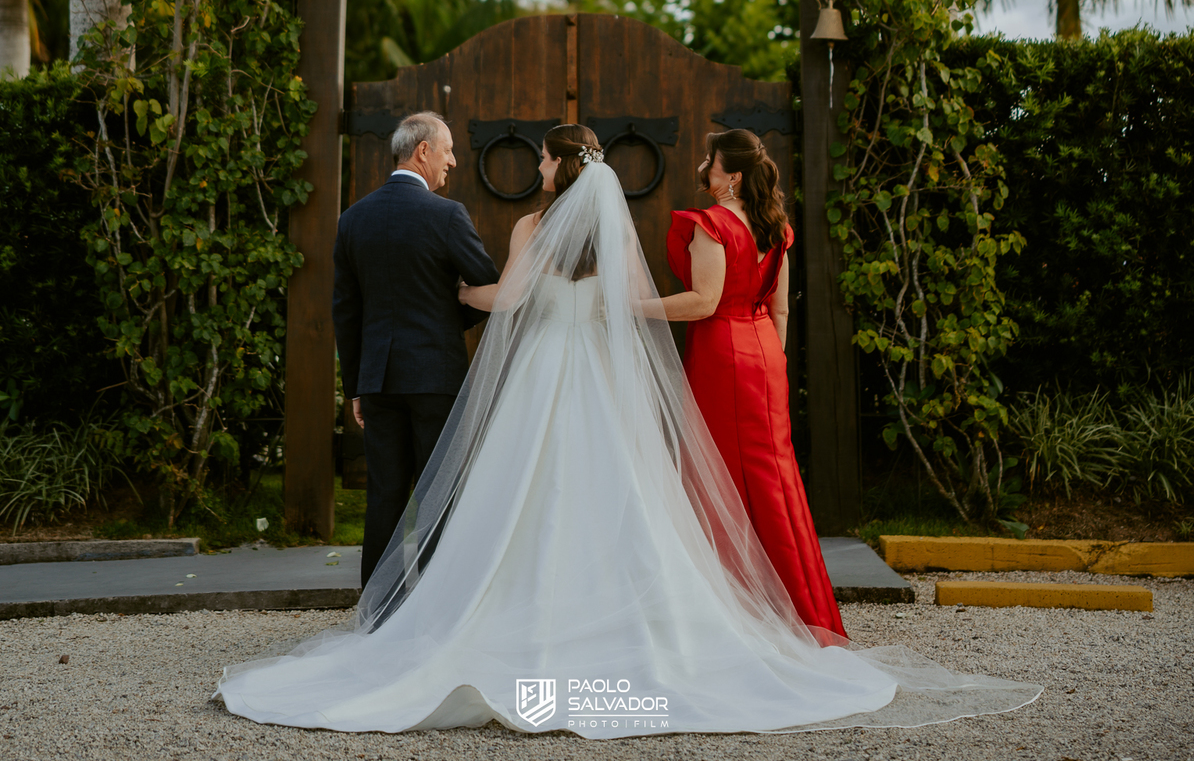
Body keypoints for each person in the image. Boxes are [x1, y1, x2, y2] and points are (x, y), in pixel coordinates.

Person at [219, 126, 1038, 736]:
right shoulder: (613, 239)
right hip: (596, 381)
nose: (536, 170)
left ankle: (426, 617)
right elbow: (625, 313)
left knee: (511, 497)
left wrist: (455, 300)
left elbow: (504, 300)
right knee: (621, 497)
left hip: (540, 371)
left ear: (560, 165)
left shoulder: (531, 231)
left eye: (543, 159)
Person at [662, 128, 843, 634]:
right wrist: (768, 361)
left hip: (723, 353)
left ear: (732, 175)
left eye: (710, 160)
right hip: (765, 351)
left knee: (717, 476)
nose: (704, 165)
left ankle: (735, 608)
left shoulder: (712, 224)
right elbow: (781, 308)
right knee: (774, 477)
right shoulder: (775, 226)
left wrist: (632, 307)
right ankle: (801, 604)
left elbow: (703, 302)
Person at [332, 110, 499, 587]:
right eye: (447, 151)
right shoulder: (447, 215)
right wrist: (450, 319)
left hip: (378, 381)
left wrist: (356, 388)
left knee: (384, 494)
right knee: (437, 493)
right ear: (423, 150)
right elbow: (488, 288)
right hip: (435, 377)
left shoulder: (353, 218)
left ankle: (376, 609)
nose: (452, 162)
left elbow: (346, 312)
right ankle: (434, 605)